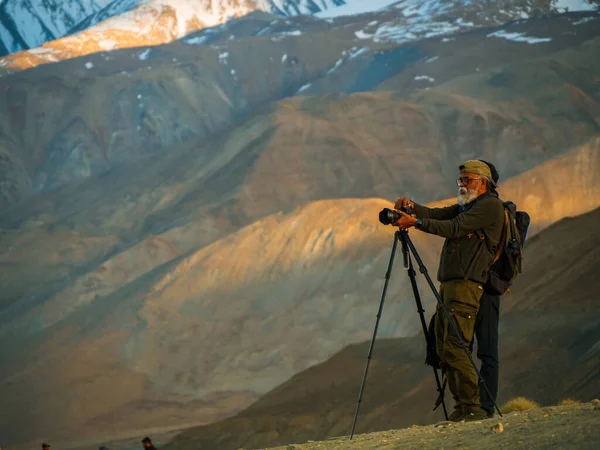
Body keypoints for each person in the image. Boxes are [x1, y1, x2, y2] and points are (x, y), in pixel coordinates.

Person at [393, 160, 504, 421]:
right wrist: (413, 209)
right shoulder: (470, 206)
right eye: (461, 180)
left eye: (468, 180)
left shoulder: (489, 206)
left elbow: (453, 227)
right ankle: (463, 408)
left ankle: (473, 408)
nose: (463, 184)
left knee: (455, 346)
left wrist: (416, 223)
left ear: (484, 182)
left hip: (466, 286)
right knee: (444, 347)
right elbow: (440, 214)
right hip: (452, 285)